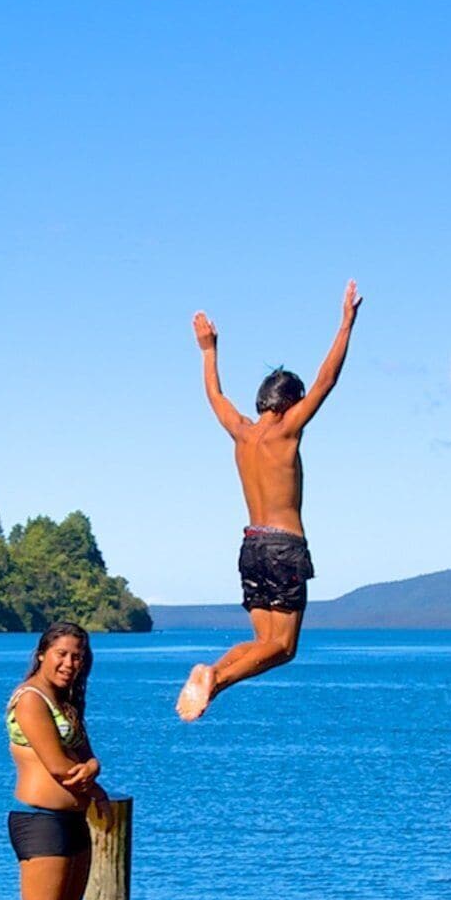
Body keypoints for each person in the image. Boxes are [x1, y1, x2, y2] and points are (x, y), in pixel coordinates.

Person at [180, 280, 362, 721]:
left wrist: (208, 351)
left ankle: (211, 675)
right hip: (283, 546)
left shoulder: (242, 433)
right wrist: (346, 323)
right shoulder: (286, 429)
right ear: (289, 403)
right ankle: (217, 680)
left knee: (265, 644)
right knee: (284, 649)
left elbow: (215, 397)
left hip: (251, 545)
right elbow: (327, 380)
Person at [2, 622, 104, 900]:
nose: (69, 663)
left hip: (72, 823)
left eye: (77, 656)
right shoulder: (31, 700)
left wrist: (92, 771)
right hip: (38, 820)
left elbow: (87, 757)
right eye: (61, 653)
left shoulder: (66, 703)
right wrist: (88, 773)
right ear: (43, 653)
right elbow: (60, 765)